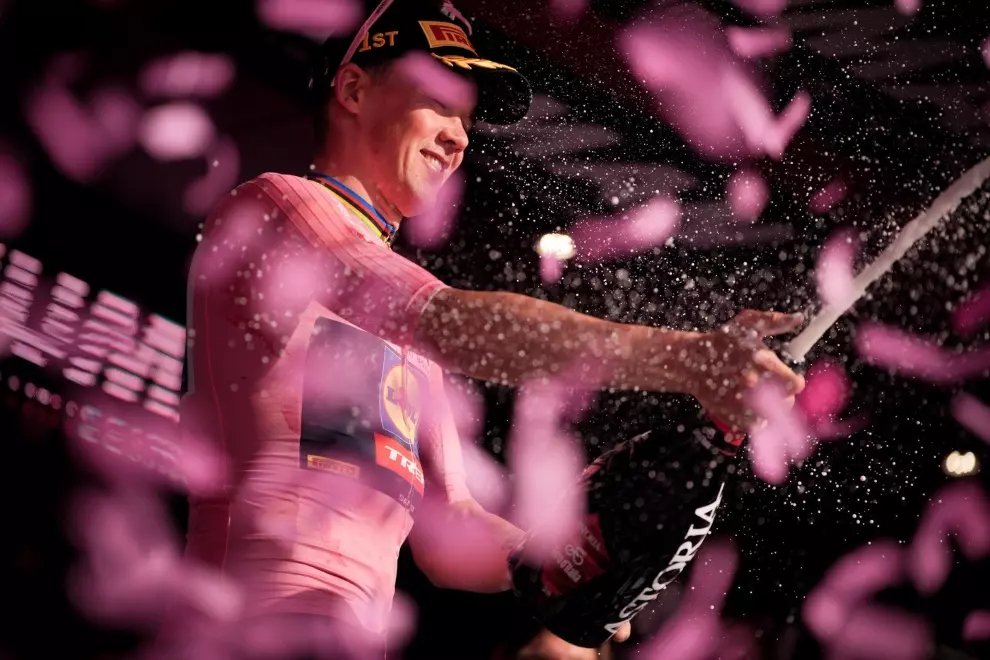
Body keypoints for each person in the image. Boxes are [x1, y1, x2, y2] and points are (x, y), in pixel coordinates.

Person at [180, 0, 805, 657]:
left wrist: (567, 558)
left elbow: (450, 530)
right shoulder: (278, 209)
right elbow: (457, 323)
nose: (459, 138)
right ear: (355, 89)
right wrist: (688, 359)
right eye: (438, 102)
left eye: (466, 117)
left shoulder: (405, 333)